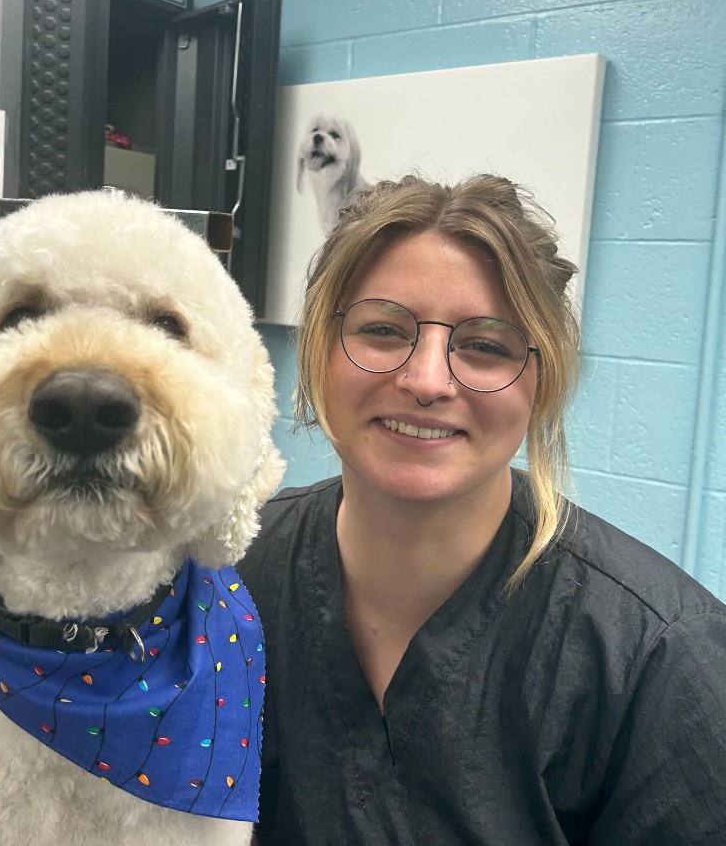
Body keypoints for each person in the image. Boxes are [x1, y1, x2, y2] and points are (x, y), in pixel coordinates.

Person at [239, 173, 726, 845]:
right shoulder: (230, 577)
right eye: (384, 330)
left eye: (486, 345)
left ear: (542, 379)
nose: (427, 381)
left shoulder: (655, 659)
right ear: (322, 348)